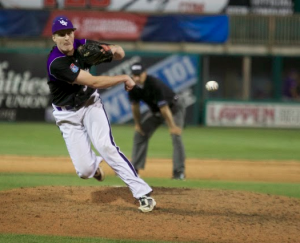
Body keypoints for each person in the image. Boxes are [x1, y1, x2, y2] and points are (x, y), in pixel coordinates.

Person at [46, 16, 156, 213]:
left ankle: (142, 194)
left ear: (73, 33)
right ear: (54, 38)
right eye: (61, 34)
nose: (66, 37)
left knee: (106, 146)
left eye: (69, 32)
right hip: (67, 116)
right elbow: (93, 81)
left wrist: (113, 49)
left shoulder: (83, 45)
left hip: (90, 104)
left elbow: (119, 53)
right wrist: (123, 77)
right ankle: (95, 166)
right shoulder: (56, 62)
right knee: (84, 171)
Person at [129, 62, 186, 180]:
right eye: (134, 75)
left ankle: (178, 172)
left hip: (174, 108)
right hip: (156, 112)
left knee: (176, 135)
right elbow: (135, 106)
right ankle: (134, 169)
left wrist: (172, 126)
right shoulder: (132, 86)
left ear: (145, 73)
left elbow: (164, 108)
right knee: (140, 134)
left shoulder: (154, 84)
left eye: (139, 75)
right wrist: (138, 125)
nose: (136, 78)